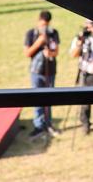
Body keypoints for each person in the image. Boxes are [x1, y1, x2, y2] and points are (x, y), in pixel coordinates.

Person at [24, 10, 62, 139]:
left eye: (46, 24)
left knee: (49, 98)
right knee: (37, 98)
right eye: (42, 23)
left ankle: (48, 123)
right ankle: (38, 125)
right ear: (38, 20)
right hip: (36, 72)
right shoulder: (31, 34)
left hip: (50, 71)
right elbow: (27, 53)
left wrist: (49, 54)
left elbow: (56, 51)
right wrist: (39, 42)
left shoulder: (53, 33)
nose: (43, 26)